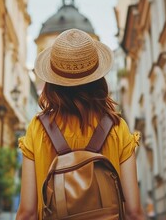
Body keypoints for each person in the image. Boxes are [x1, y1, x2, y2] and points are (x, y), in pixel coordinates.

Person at [16, 29, 144, 220]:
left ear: (52, 80)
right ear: (97, 78)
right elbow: (134, 212)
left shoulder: (38, 128)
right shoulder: (117, 128)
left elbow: (27, 213)